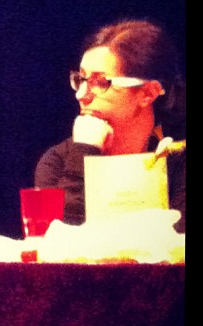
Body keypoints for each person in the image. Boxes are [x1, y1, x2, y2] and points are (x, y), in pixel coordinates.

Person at [34, 19, 186, 232]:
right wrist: (83, 153)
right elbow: (59, 242)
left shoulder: (178, 161)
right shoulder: (58, 161)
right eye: (81, 79)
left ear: (148, 93)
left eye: (101, 82)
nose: (81, 95)